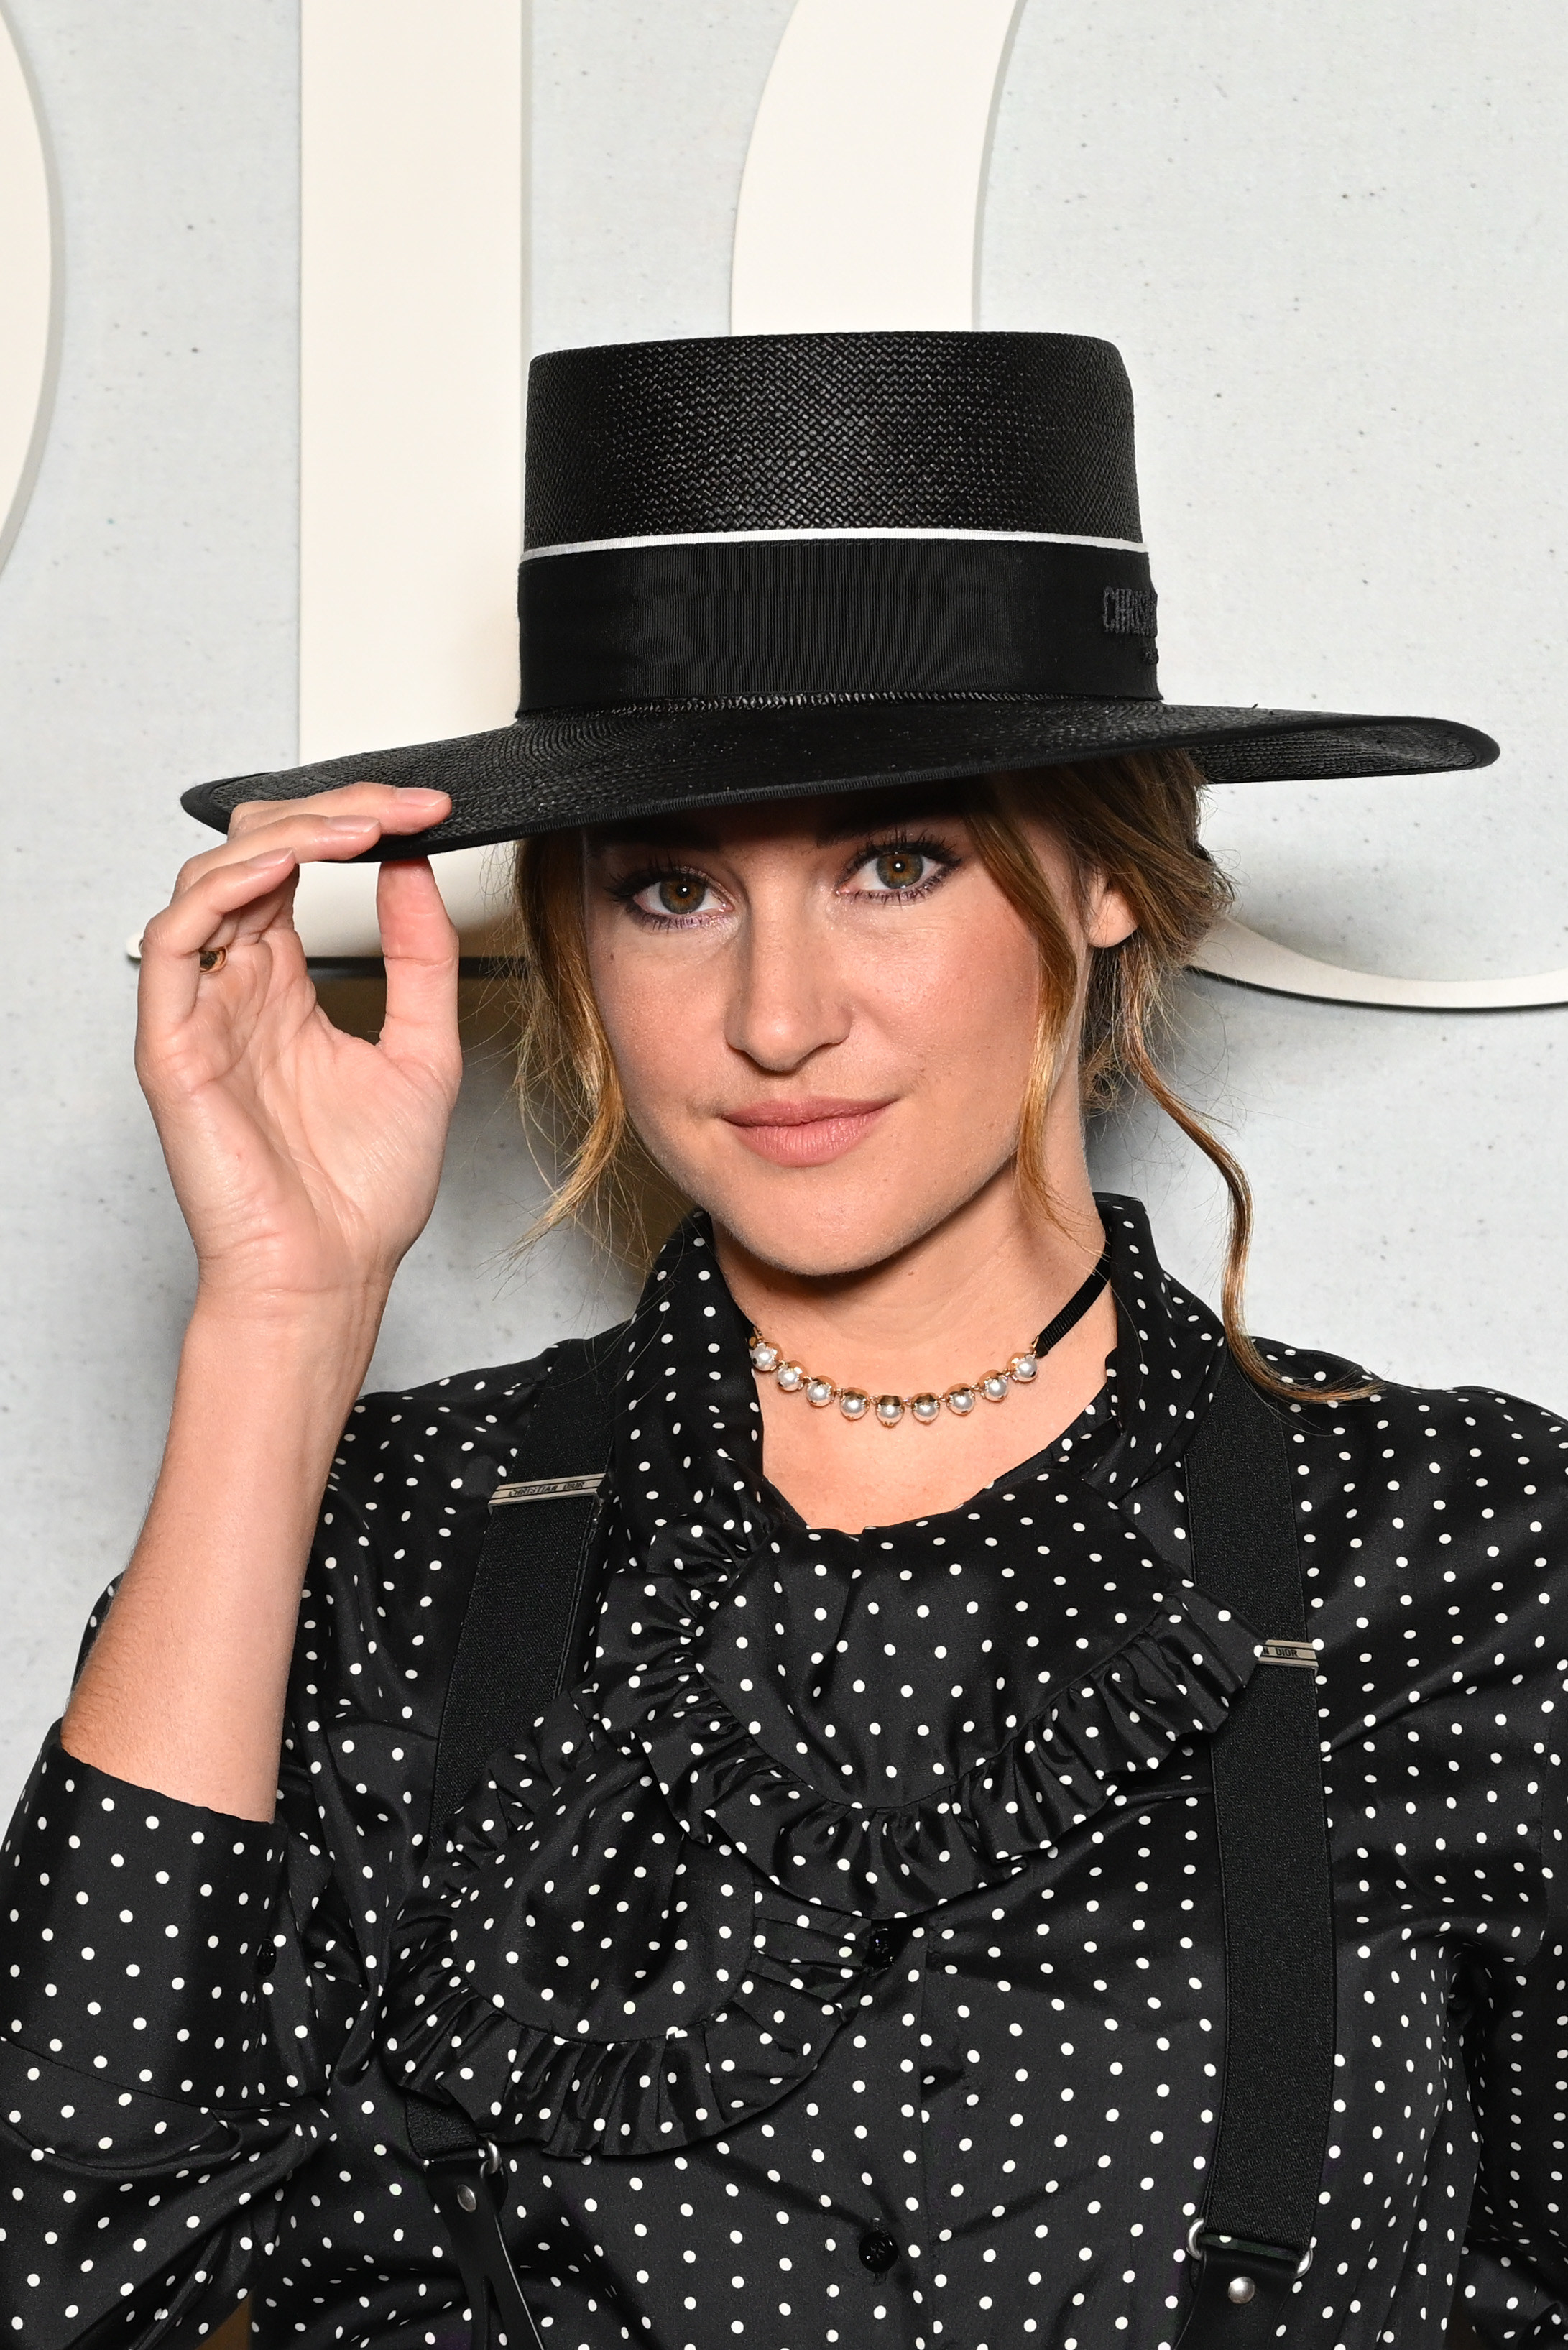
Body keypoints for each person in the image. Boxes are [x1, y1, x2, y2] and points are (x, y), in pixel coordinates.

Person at [0, 331, 1554, 2350]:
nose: (775, 1014)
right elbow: (54, 2262)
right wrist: (282, 1316)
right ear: (571, 932)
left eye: (894, 863)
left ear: (1101, 877)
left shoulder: (1466, 1545)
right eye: (669, 892)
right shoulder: (383, 1545)